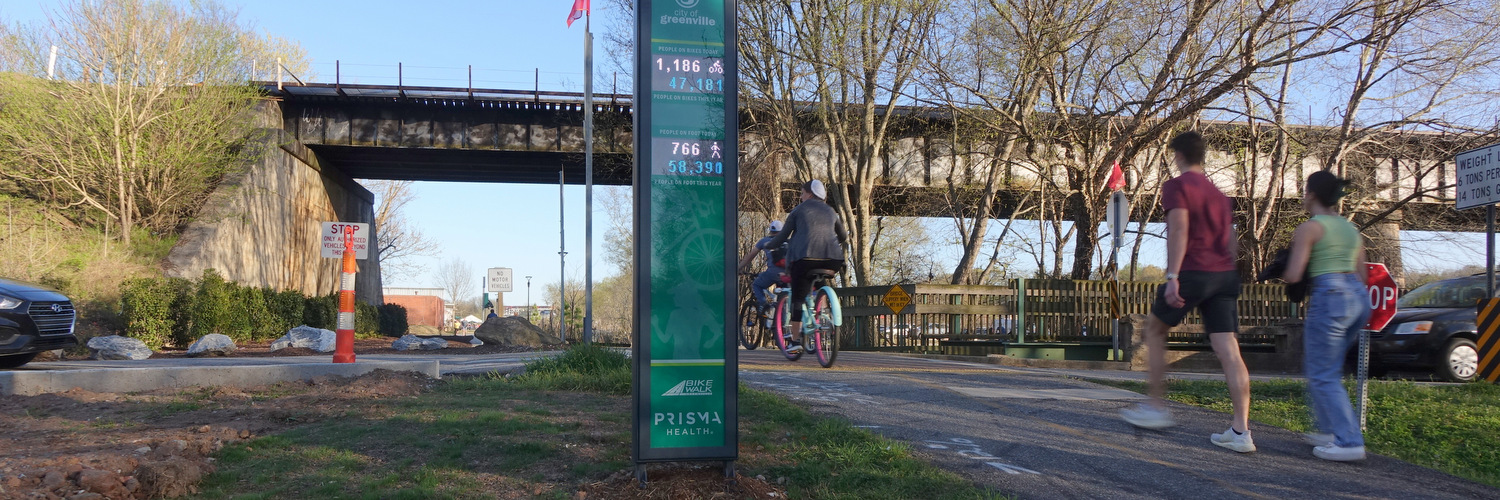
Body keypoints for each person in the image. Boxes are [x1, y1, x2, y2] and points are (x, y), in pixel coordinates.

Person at [1120, 131, 1256, 454]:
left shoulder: (1177, 186)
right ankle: (1241, 431)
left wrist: (1173, 277)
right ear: (1202, 156)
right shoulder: (1220, 195)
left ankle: (1156, 406)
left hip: (1194, 270)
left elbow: (1179, 229)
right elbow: (1231, 242)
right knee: (1228, 349)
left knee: (1154, 329)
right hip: (1224, 275)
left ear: (1178, 155)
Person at [1282, 170, 1369, 462]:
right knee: (1327, 370)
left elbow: (1294, 274)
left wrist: (1280, 270)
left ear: (1312, 195)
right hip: (1357, 297)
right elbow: (1363, 274)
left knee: (1323, 374)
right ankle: (1329, 430)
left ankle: (1348, 441)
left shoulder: (1309, 228)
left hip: (1330, 297)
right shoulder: (1350, 228)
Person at [758, 180, 846, 354]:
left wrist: (767, 245)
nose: (800, 196)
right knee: (819, 283)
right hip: (833, 259)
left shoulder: (798, 210)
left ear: (810, 194)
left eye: (802, 193)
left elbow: (782, 237)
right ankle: (823, 311)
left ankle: (795, 341)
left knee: (798, 298)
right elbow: (842, 236)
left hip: (805, 259)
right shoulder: (831, 211)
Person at [737, 221, 789, 321]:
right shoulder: (789, 241)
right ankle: (783, 330)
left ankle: (763, 303)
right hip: (788, 274)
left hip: (773, 273)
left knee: (757, 284)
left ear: (770, 230)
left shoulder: (764, 241)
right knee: (784, 300)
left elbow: (750, 256)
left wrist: (739, 268)